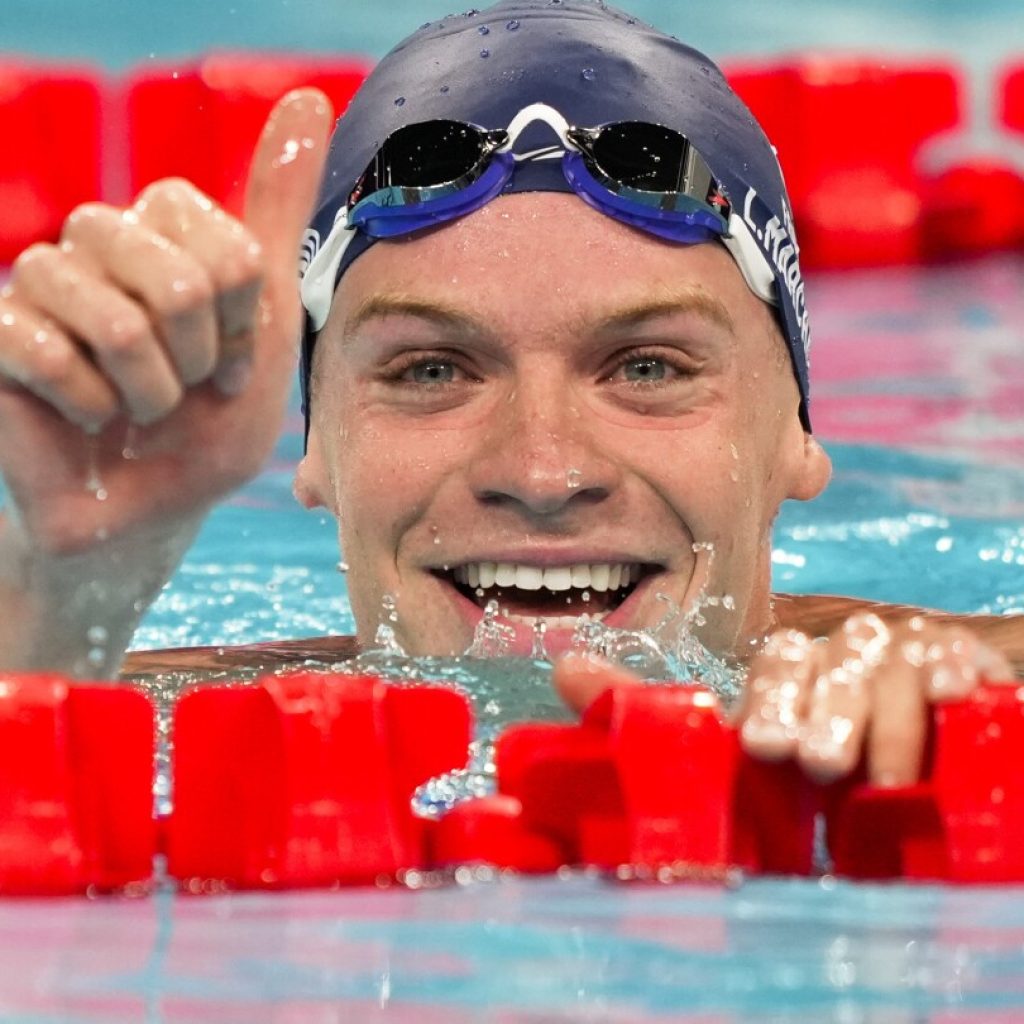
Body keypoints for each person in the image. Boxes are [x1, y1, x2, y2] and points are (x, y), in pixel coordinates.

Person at [0, 0, 1019, 790]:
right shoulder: (172, 711)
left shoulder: (970, 682)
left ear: (797, 429)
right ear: (314, 449)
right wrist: (79, 578)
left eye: (648, 368)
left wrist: (978, 732)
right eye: (431, 371)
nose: (541, 472)